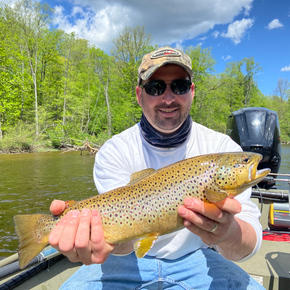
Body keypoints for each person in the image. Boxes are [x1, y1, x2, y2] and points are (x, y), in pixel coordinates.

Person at [49, 47, 265, 289]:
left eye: (180, 86)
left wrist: (228, 234)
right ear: (140, 95)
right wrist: (100, 242)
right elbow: (123, 244)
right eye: (155, 88)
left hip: (199, 259)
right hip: (126, 261)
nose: (168, 98)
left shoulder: (222, 147)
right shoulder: (115, 150)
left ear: (192, 92)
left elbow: (247, 246)